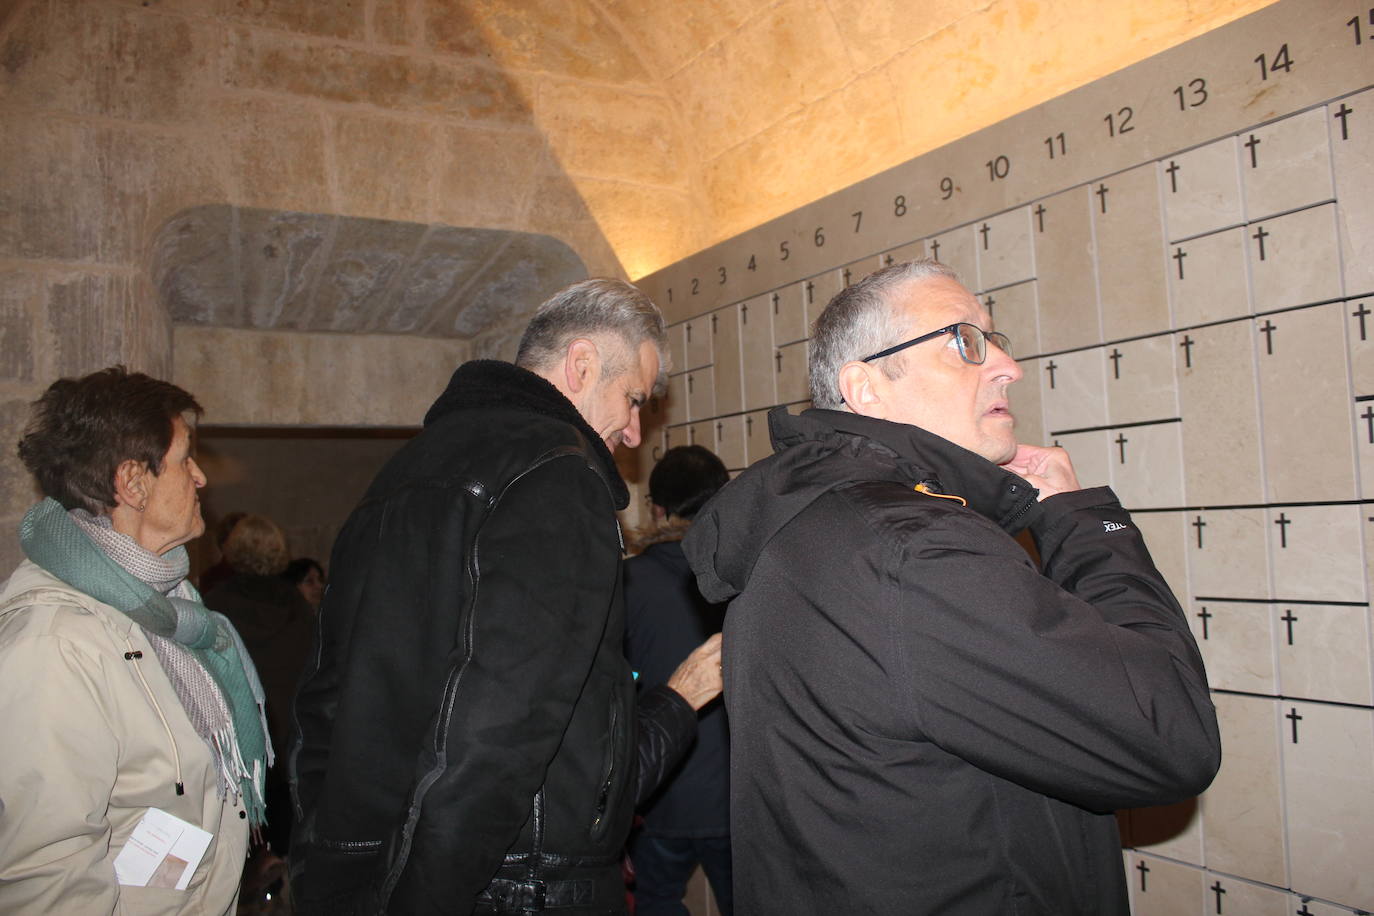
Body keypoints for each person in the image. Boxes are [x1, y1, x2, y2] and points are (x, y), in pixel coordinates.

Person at [682, 259, 1222, 915]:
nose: (1007, 367)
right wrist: (1081, 519)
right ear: (867, 387)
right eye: (965, 340)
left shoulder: (811, 528)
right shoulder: (915, 550)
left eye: (996, 340)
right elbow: (1169, 735)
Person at [290, 278, 724, 915]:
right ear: (580, 365)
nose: (634, 433)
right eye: (633, 400)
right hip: (514, 888)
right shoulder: (558, 474)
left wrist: (326, 870)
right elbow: (499, 735)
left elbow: (322, 705)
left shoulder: (398, 475)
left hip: (361, 873)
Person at [0, 367, 267, 914]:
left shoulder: (173, 608)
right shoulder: (56, 645)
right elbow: (45, 876)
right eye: (183, 459)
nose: (200, 478)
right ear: (133, 482)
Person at [624, 445, 733, 916]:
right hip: (737, 797)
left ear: (658, 508)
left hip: (660, 790)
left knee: (656, 901)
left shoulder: (627, 583)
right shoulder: (746, 575)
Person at [205, 514, 316, 855]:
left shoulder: (213, 603)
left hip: (237, 743)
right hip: (289, 738)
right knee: (285, 836)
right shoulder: (299, 607)